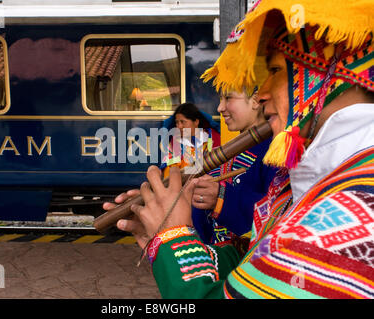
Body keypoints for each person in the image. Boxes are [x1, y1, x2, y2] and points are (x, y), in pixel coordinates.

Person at [107, 0, 374, 298]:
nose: (262, 94)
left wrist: (173, 239)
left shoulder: (354, 207)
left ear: (324, 76)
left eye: (275, 70)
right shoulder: (326, 180)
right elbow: (255, 259)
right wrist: (165, 236)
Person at [191, 88, 277, 248]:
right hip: (216, 261)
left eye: (228, 98)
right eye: (220, 99)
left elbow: (279, 214)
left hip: (251, 264)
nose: (220, 108)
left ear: (256, 100)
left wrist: (222, 197)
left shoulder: (276, 152)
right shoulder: (223, 154)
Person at [159, 102, 221, 179]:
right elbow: (169, 169)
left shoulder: (214, 138)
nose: (179, 126)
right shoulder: (176, 141)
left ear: (196, 122)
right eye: (177, 122)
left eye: (183, 122)